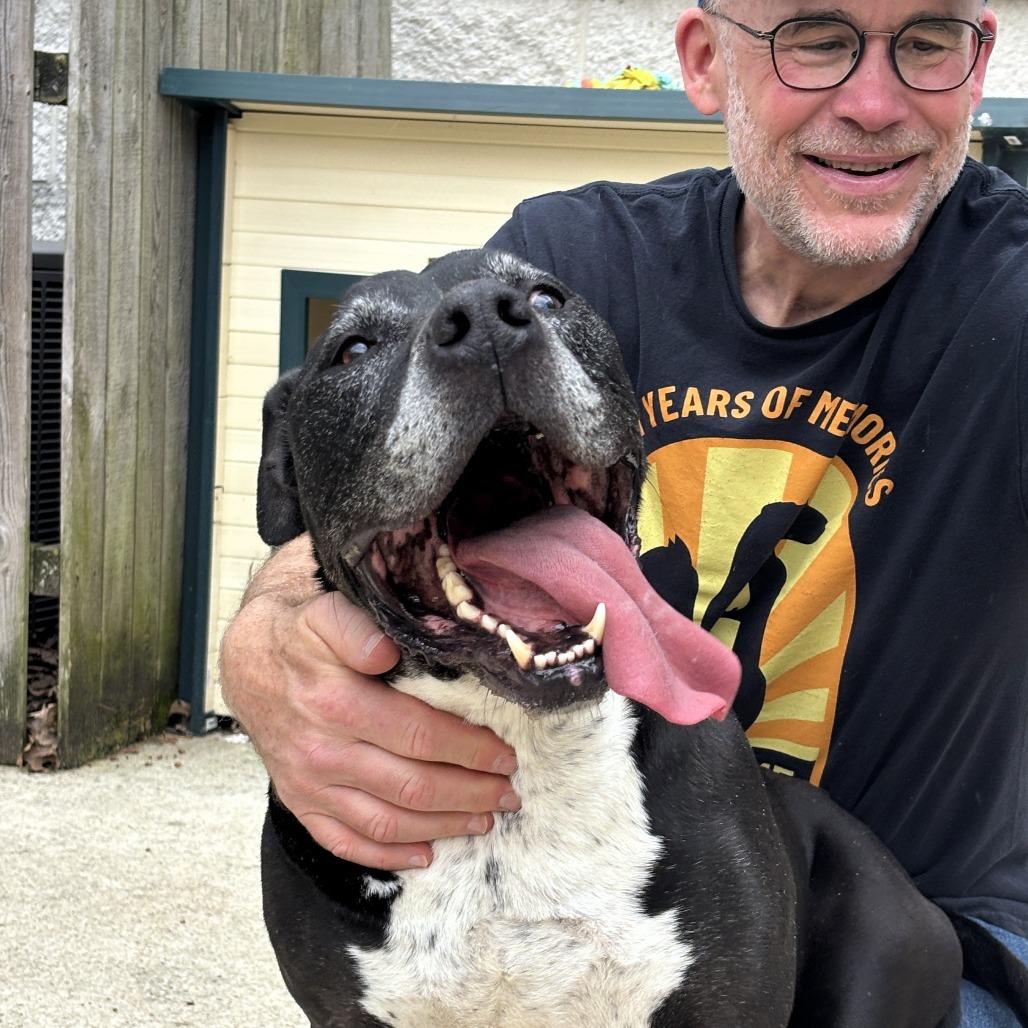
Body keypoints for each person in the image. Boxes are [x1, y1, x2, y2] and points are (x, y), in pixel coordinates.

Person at [220, 1, 1028, 1022]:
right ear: (705, 60)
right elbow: (375, 493)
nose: (873, 102)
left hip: (921, 947)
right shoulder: (568, 262)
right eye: (816, 40)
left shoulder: (1007, 294)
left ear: (978, 63)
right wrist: (266, 638)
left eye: (927, 41)